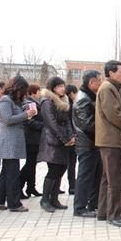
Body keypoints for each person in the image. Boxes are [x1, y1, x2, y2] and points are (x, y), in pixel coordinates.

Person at [0, 76, 36, 212]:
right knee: (12, 174)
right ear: (17, 88)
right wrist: (26, 114)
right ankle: (14, 203)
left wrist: (28, 114)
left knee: (6, 173)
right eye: (23, 91)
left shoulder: (14, 101)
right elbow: (8, 119)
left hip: (13, 141)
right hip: (8, 142)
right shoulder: (5, 100)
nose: (24, 94)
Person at [95, 60, 121, 227]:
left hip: (108, 140)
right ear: (110, 73)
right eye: (120, 71)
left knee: (107, 178)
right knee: (115, 179)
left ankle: (104, 212)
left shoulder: (109, 87)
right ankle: (113, 215)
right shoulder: (108, 88)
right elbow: (114, 113)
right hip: (111, 140)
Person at [37, 76, 75, 213]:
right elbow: (51, 123)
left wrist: (71, 136)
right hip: (52, 140)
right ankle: (45, 199)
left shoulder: (63, 101)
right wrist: (64, 138)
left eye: (63, 86)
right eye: (59, 86)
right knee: (53, 169)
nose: (62, 88)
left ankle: (54, 199)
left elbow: (68, 121)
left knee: (62, 167)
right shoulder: (47, 102)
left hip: (63, 140)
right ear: (53, 88)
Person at [73, 70, 102, 217]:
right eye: (99, 80)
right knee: (84, 176)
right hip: (87, 144)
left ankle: (93, 205)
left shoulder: (90, 97)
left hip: (93, 143)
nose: (100, 83)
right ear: (91, 82)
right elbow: (87, 125)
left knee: (95, 175)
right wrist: (105, 129)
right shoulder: (83, 99)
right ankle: (79, 208)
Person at [20, 83, 43, 199]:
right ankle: (19, 187)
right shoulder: (30, 104)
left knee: (32, 164)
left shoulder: (33, 103)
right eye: (39, 91)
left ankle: (31, 187)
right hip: (31, 139)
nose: (40, 93)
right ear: (34, 92)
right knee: (30, 164)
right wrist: (43, 126)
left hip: (34, 139)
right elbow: (28, 121)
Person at [65, 84, 78, 194]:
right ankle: (72, 186)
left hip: (71, 137)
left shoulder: (68, 104)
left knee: (71, 163)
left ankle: (72, 185)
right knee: (71, 163)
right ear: (72, 93)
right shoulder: (70, 106)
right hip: (72, 138)